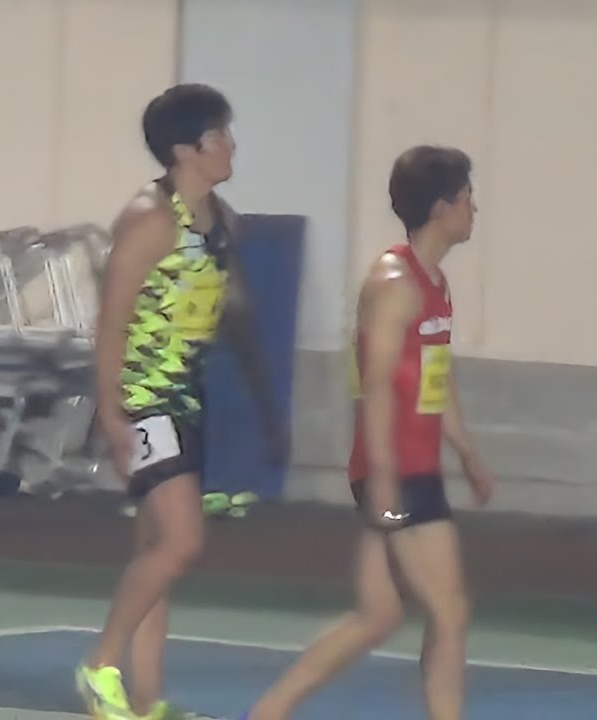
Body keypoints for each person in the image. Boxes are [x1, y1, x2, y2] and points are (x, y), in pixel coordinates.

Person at [241, 145, 495, 720]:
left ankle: (268, 712)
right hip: (395, 472)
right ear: (440, 208)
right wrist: (382, 481)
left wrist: (468, 452)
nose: (474, 209)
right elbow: (374, 388)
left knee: (378, 615)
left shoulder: (435, 283)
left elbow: (435, 377)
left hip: (416, 468)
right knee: (450, 611)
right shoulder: (394, 283)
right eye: (466, 198)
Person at [77, 84, 288, 720]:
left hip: (186, 398)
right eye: (218, 136)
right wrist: (111, 414)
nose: (231, 146)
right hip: (145, 401)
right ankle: (100, 665)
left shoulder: (219, 220)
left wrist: (265, 402)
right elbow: (111, 322)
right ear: (183, 151)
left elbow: (235, 310)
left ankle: (146, 701)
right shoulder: (150, 221)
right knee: (182, 541)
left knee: (156, 550)